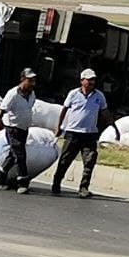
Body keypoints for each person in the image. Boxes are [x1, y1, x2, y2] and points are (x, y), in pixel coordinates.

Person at [52, 68, 108, 198]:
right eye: (89, 80)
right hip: (73, 132)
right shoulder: (73, 94)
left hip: (89, 134)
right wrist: (59, 126)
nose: (91, 82)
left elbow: (104, 112)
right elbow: (64, 110)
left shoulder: (99, 96)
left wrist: (113, 127)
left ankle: (84, 187)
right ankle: (56, 183)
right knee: (65, 159)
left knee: (90, 160)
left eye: (93, 80)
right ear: (82, 80)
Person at [0, 68, 38, 194]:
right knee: (20, 155)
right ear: (23, 79)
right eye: (30, 80)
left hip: (23, 129)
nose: (32, 83)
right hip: (13, 129)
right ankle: (22, 182)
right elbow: (2, 110)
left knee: (13, 155)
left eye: (33, 80)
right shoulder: (13, 94)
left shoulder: (32, 93)